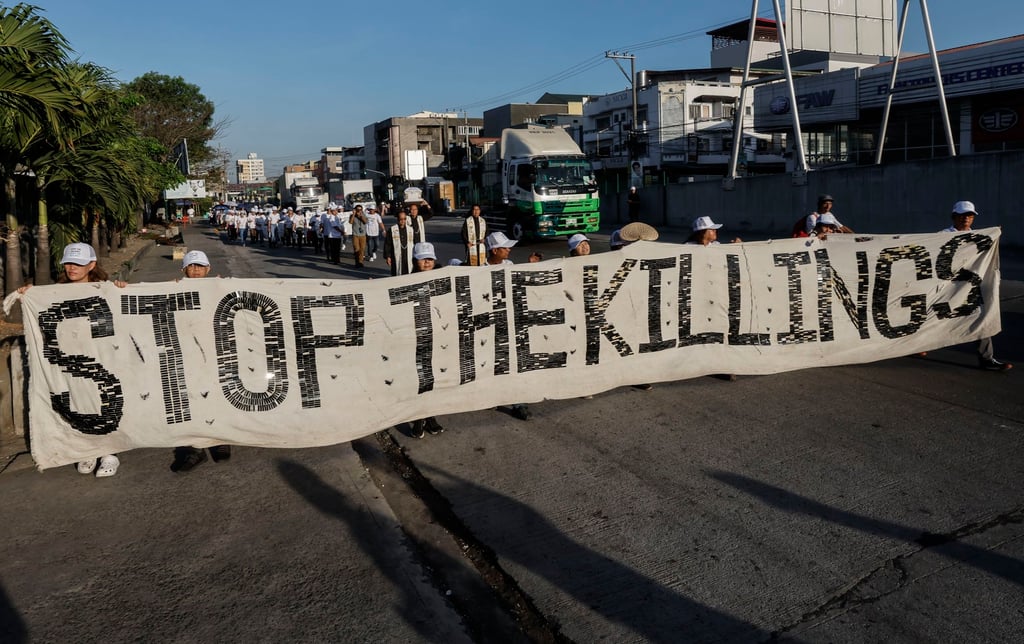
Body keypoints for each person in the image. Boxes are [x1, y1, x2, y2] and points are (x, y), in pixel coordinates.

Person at [18, 243, 126, 477]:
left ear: (92, 265)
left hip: (101, 357)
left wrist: (122, 290)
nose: (72, 268)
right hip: (70, 360)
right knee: (79, 401)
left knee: (103, 402)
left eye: (78, 263)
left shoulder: (104, 289)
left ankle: (110, 453)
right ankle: (86, 450)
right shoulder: (53, 292)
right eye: (68, 263)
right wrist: (29, 295)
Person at [171, 250, 233, 471]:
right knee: (190, 399)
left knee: (218, 394)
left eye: (199, 266)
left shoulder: (220, 288)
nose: (195, 270)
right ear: (184, 269)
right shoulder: (172, 290)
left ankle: (220, 440)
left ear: (208, 269)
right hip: (186, 354)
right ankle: (194, 448)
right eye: (191, 266)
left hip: (216, 352)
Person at [938, 200, 1012, 371]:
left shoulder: (980, 237)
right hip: (945, 288)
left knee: (980, 317)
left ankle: (987, 358)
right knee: (933, 319)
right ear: (954, 216)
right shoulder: (942, 235)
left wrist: (994, 234)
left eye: (969, 215)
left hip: (968, 288)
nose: (966, 218)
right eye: (962, 215)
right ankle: (918, 346)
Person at [483, 232, 531, 420]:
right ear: (494, 250)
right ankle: (492, 396)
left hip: (510, 320)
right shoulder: (479, 270)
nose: (509, 250)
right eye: (505, 247)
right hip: (491, 324)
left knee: (513, 362)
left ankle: (518, 402)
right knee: (492, 362)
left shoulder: (510, 266)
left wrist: (531, 265)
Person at [408, 242, 447, 438]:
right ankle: (417, 418)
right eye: (423, 259)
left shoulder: (442, 277)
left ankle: (430, 417)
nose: (427, 262)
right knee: (418, 380)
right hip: (416, 337)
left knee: (434, 379)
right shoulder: (404, 281)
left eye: (430, 259)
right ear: (415, 261)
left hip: (438, 335)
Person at [385, 208, 416, 276]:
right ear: (397, 219)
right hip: (396, 256)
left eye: (404, 219)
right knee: (397, 272)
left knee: (409, 272)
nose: (403, 221)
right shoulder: (392, 230)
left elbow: (415, 242)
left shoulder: (410, 229)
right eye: (401, 219)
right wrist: (388, 256)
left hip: (408, 255)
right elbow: (388, 244)